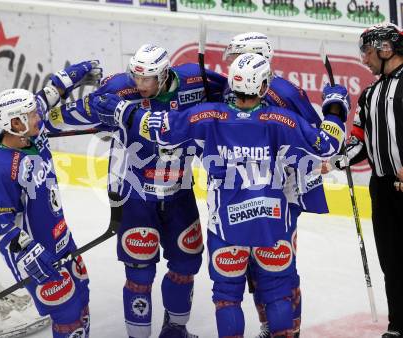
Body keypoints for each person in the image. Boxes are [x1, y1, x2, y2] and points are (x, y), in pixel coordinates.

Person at [92, 53, 349, 338]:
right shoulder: (282, 120)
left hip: (226, 226)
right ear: (263, 87)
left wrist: (122, 111)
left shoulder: (208, 115)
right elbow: (327, 146)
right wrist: (335, 106)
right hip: (272, 224)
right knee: (277, 292)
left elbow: (159, 129)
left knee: (227, 297)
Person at [45, 44, 227, 338]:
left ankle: (175, 330)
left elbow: (234, 97)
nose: (140, 85)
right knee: (139, 275)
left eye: (148, 79)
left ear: (164, 73)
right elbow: (74, 113)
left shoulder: (195, 79)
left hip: (180, 194)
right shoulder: (119, 89)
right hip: (136, 198)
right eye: (137, 78)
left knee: (185, 266)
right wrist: (44, 123)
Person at [0, 60, 101, 337]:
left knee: (81, 296)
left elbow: (51, 92)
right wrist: (28, 252)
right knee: (67, 314)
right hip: (35, 253)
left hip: (60, 237)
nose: (38, 117)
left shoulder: (30, 129)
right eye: (30, 115)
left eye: (34, 113)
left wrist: (79, 72)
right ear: (14, 122)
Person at [222, 32, 328, 337]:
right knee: (255, 268)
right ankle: (270, 325)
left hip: (282, 191)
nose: (231, 65)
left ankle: (289, 329)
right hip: (247, 192)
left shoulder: (284, 92)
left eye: (236, 57)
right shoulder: (238, 89)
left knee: (279, 262)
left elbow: (314, 134)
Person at [325, 23, 403, 338]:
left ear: (386, 49)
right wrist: (335, 158)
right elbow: (359, 140)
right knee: (393, 262)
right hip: (383, 189)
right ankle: (399, 324)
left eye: (368, 51)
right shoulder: (370, 94)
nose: (364, 59)